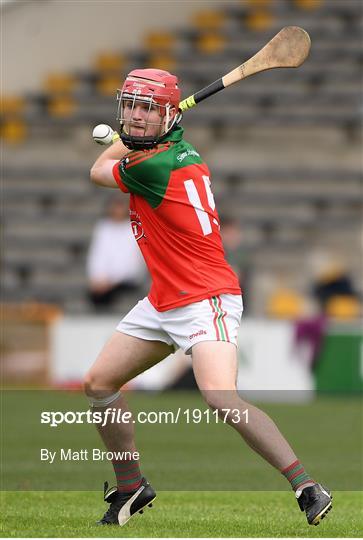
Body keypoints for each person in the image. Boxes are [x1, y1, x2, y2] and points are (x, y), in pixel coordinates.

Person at [86, 68, 332, 527]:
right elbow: (136, 146)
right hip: (163, 300)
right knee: (99, 384)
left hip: (206, 297)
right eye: (131, 106)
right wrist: (152, 129)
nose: (135, 117)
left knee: (220, 396)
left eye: (147, 109)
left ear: (168, 116)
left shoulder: (152, 164)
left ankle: (306, 485)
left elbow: (97, 170)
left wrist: (124, 138)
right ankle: (130, 487)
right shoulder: (169, 148)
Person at [86, 195, 146, 310]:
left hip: (126, 278)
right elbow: (97, 255)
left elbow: (132, 262)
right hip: (105, 280)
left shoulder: (133, 228)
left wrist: (112, 280)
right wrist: (97, 278)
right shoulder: (103, 227)